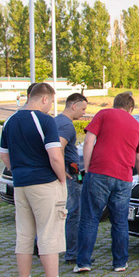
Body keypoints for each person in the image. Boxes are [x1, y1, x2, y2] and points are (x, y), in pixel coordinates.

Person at [0, 83, 81, 277]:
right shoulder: (45, 120)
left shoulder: (10, 121)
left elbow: (4, 156)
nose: (51, 106)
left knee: (24, 234)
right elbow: (55, 156)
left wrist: (19, 170)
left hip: (21, 184)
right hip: (44, 183)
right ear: (45, 99)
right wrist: (62, 178)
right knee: (48, 233)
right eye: (52, 101)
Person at [76, 91, 139, 273]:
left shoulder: (104, 114)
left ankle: (83, 263)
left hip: (99, 173)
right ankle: (120, 263)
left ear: (115, 104)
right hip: (123, 178)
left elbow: (89, 142)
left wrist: (89, 168)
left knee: (90, 219)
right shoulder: (136, 125)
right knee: (120, 221)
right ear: (130, 109)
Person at [55, 93, 88, 264]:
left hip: (67, 173)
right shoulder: (67, 125)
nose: (83, 113)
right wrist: (62, 170)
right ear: (73, 105)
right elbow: (58, 146)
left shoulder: (56, 120)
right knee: (74, 213)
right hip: (71, 174)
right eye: (82, 109)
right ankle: (72, 253)